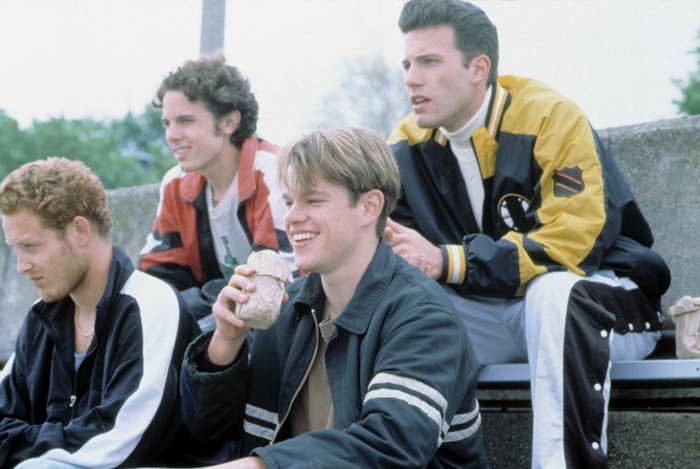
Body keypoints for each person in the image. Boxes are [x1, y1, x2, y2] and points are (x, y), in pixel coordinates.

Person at [386, 1, 670, 468]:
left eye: (429, 62)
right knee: (409, 310)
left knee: (551, 293)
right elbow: (397, 254)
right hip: (496, 315)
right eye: (408, 64)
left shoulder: (550, 117)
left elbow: (573, 241)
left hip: (602, 306)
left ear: (478, 68)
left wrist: (451, 261)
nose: (411, 78)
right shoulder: (405, 144)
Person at [179, 127, 488, 467]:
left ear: (370, 207)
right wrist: (226, 343)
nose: (293, 217)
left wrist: (262, 465)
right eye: (288, 202)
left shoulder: (423, 316)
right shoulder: (285, 309)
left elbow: (390, 447)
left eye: (313, 200)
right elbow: (207, 433)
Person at [0, 157, 195, 468]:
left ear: (79, 231)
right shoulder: (41, 317)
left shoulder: (151, 304)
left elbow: (117, 439)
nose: (22, 266)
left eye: (31, 247)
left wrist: (18, 443)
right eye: (16, 250)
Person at [139, 55, 294, 332]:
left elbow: (279, 278)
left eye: (185, 121)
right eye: (167, 123)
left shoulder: (275, 172)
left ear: (229, 122)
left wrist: (194, 306)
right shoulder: (175, 183)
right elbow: (156, 280)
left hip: (279, 318)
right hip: (217, 314)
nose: (171, 135)